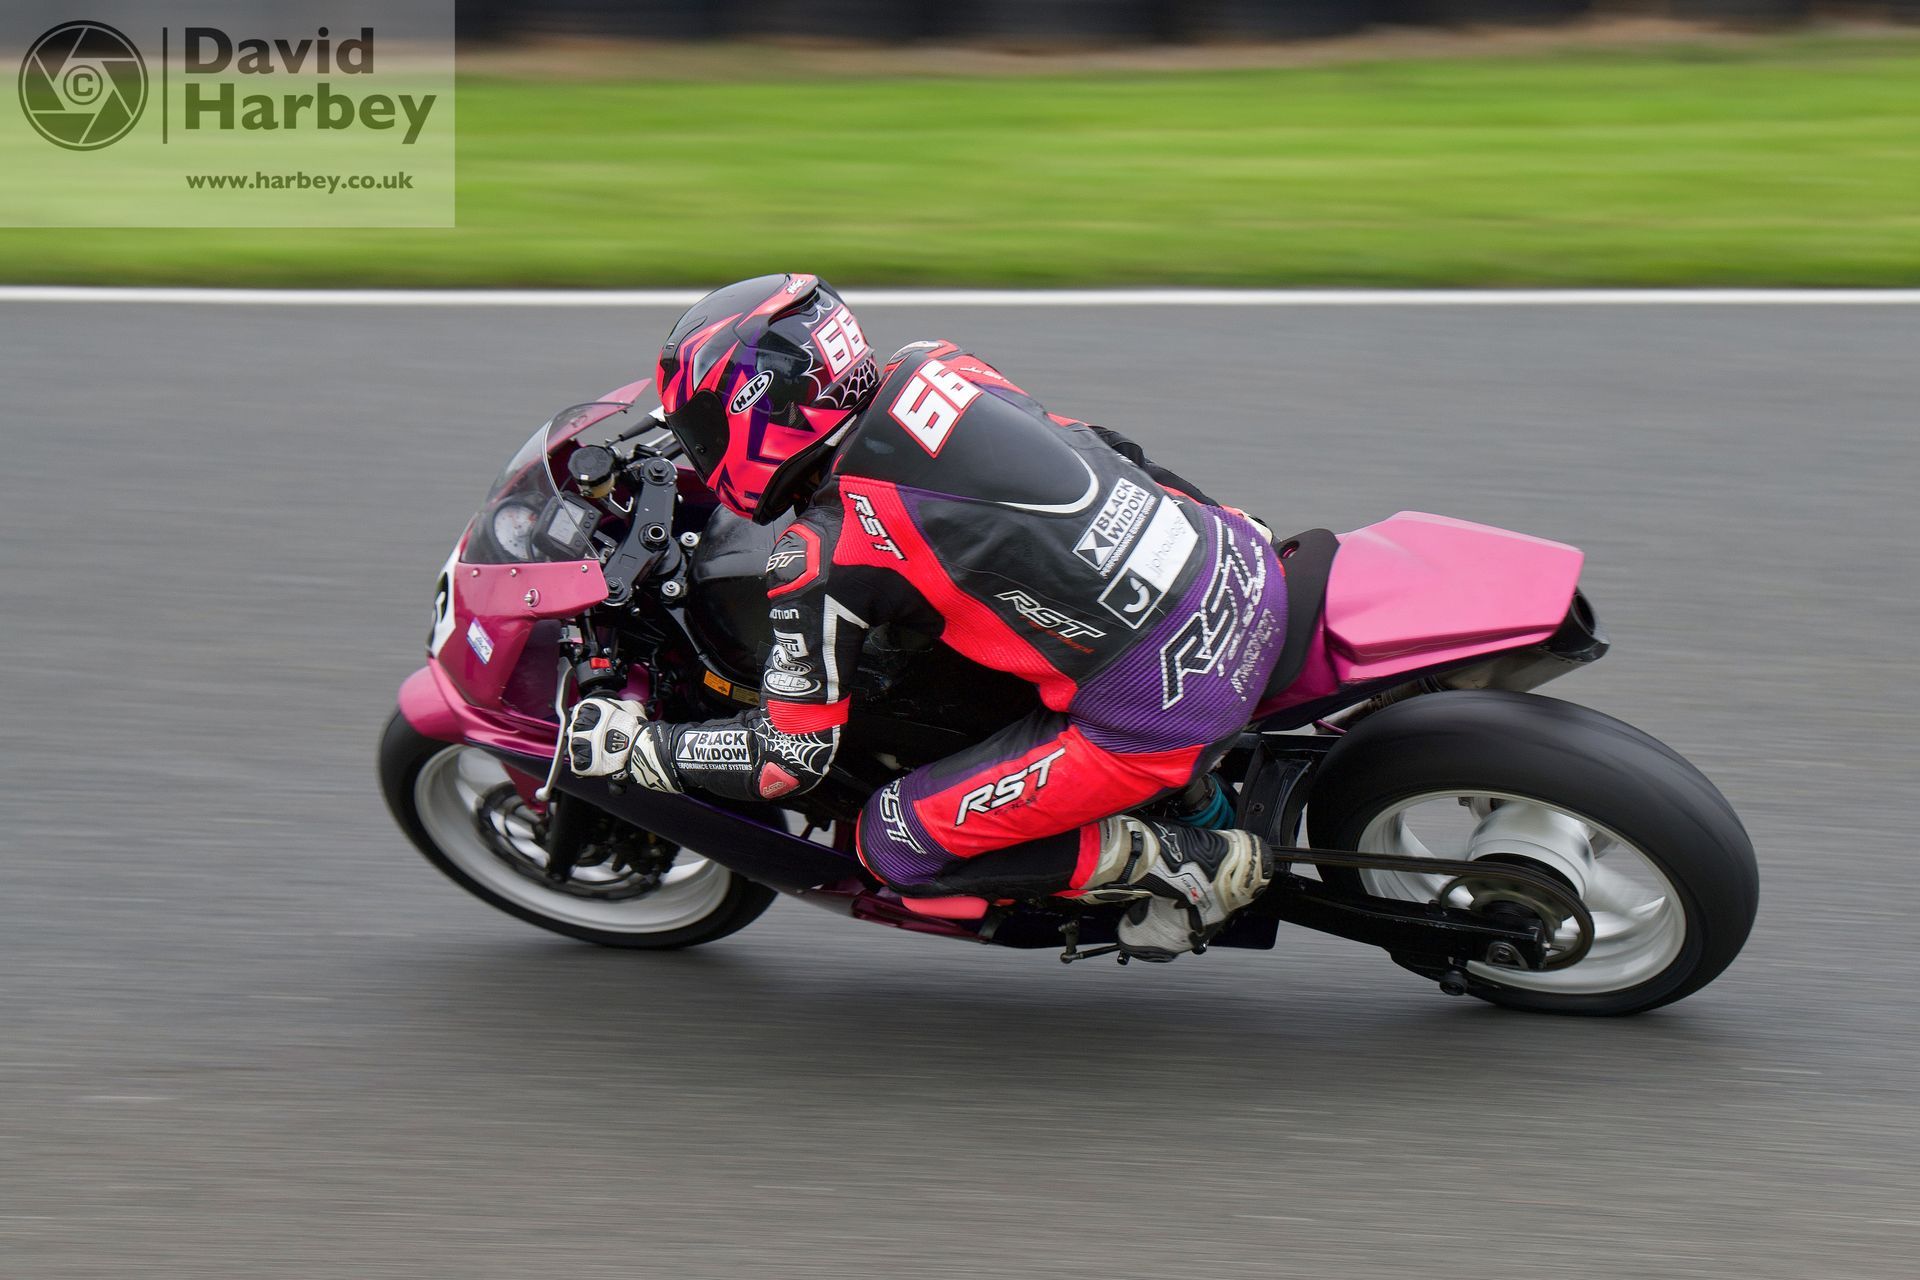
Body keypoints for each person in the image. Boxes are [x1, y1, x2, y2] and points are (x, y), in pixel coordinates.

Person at [564, 273, 1287, 959]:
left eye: (699, 426)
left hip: (1161, 701)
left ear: (756, 414)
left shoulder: (825, 550)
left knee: (893, 840)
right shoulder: (938, 367)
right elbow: (1109, 449)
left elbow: (787, 762)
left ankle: (1189, 866)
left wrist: (645, 750)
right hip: (1239, 555)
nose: (696, 445)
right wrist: (1223, 529)